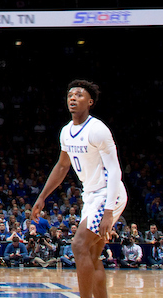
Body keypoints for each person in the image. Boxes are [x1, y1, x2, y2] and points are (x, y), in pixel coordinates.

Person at [30, 80, 126, 298]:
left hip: (109, 193)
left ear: (90, 102)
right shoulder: (66, 131)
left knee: (78, 245)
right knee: (92, 256)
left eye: (79, 95)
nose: (73, 98)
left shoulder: (98, 129)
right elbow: (62, 165)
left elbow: (115, 171)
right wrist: (42, 196)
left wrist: (109, 211)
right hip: (91, 195)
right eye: (70, 95)